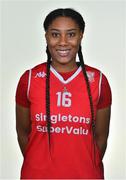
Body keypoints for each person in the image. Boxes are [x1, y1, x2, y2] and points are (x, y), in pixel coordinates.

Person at [15, 8, 112, 179]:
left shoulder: (99, 81)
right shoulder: (29, 79)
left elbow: (101, 139)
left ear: (81, 35)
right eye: (55, 34)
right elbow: (23, 133)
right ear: (46, 36)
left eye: (71, 34)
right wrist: (41, 164)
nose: (63, 42)